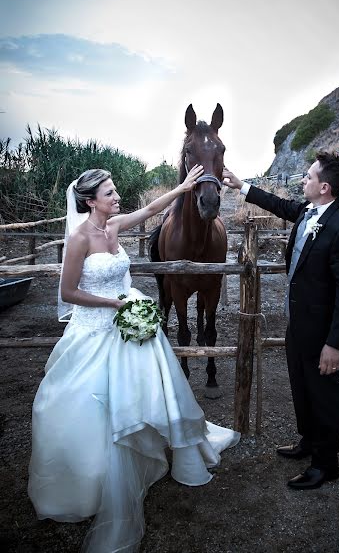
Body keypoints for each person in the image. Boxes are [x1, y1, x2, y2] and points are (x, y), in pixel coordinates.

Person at [28, 167, 240, 552]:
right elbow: (69, 292)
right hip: (96, 329)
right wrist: (113, 302)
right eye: (110, 193)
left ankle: (147, 453)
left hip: (128, 324)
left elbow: (153, 209)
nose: (117, 197)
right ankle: (94, 480)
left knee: (145, 391)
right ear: (90, 200)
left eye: (115, 191)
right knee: (97, 402)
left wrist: (184, 187)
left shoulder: (114, 226)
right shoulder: (79, 239)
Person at [223, 151, 339, 490]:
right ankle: (309, 441)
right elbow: (278, 205)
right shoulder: (306, 212)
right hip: (296, 324)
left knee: (325, 394)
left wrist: (335, 344)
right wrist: (243, 186)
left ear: (324, 187)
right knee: (301, 386)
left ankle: (326, 465)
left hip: (322, 333)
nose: (303, 180)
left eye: (309, 176)